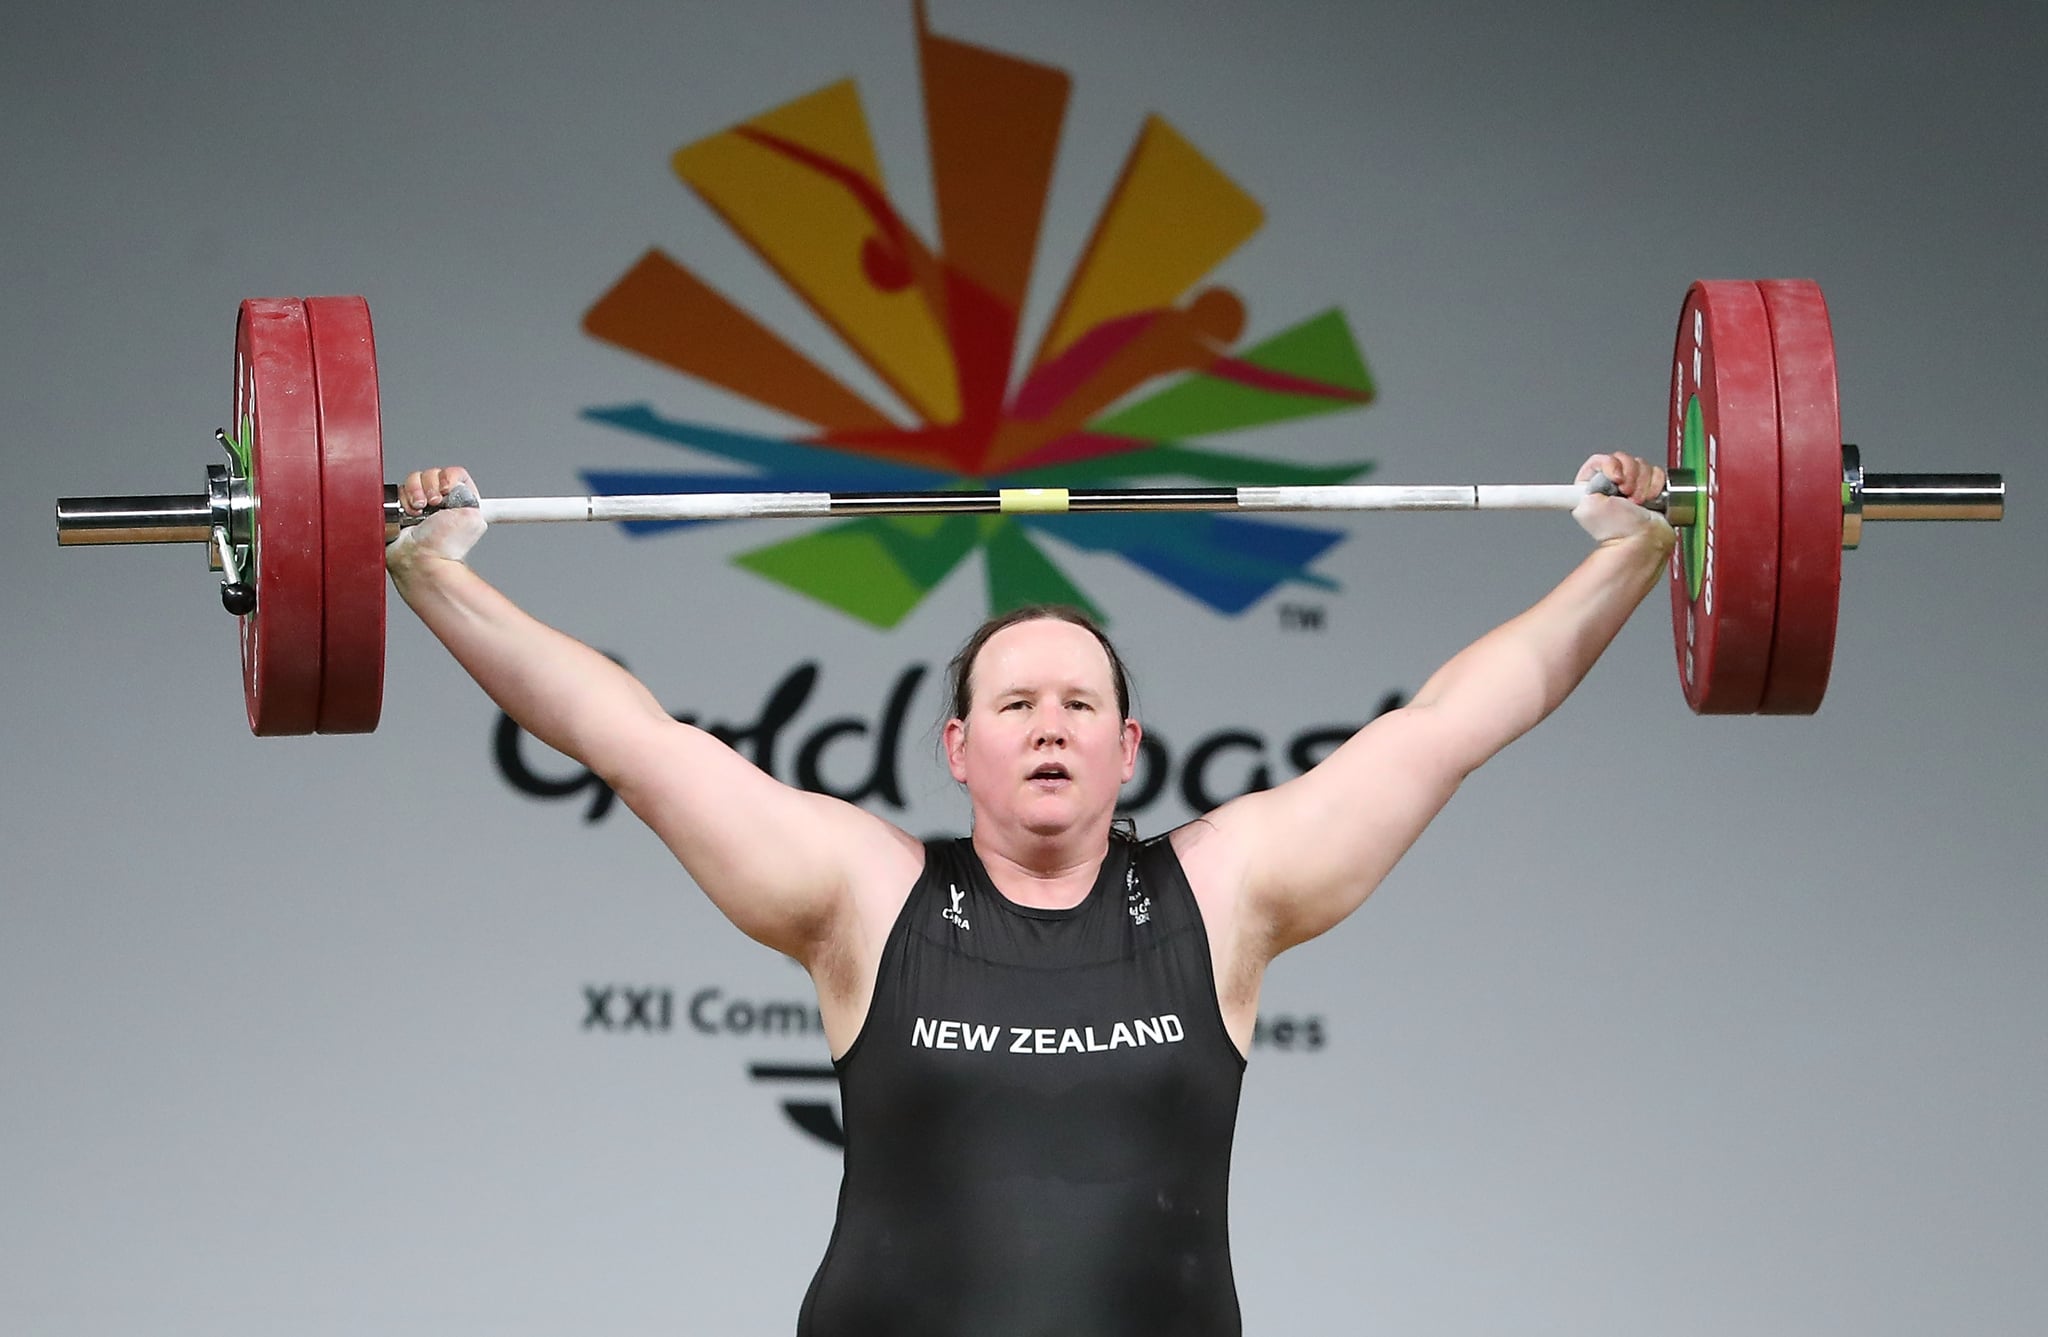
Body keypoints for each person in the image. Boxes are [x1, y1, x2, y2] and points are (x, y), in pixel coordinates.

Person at [386, 452, 1672, 1336]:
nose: (1048, 727)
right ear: (957, 748)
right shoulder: (861, 897)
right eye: (1013, 703)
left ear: (1129, 748)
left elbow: (1449, 722)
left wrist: (1632, 549)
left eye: (1079, 705)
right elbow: (629, 735)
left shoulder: (1222, 891)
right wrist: (432, 568)